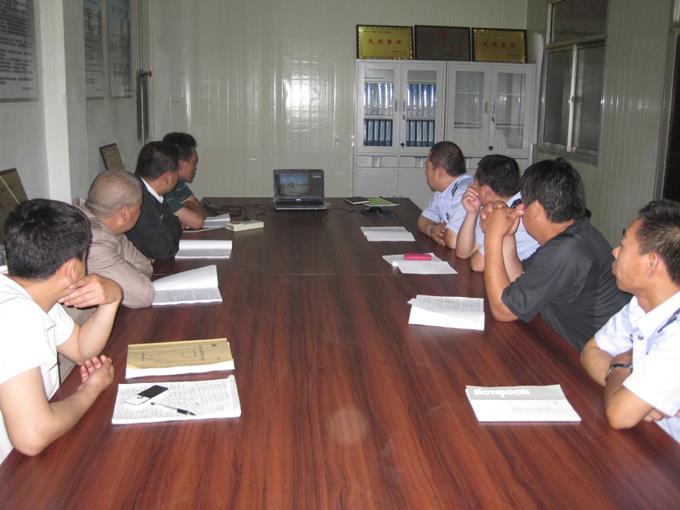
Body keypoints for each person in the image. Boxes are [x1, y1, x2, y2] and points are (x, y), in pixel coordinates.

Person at [0, 199, 121, 463]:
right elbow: (32, 435)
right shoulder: (15, 314)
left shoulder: (24, 288)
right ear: (72, 269)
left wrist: (112, 298)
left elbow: (80, 349)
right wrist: (90, 389)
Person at [482, 158, 630, 350]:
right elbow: (522, 279)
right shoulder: (574, 235)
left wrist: (492, 236)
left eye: (522, 202)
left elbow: (503, 310)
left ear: (536, 209)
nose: (519, 209)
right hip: (571, 346)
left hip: (595, 359)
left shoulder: (567, 250)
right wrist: (507, 236)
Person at [581, 200, 680, 442]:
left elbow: (619, 415)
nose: (615, 251)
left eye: (623, 246)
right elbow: (591, 351)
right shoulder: (641, 304)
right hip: (650, 438)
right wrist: (631, 390)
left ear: (651, 263)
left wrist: (621, 365)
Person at [76, 170, 154, 310]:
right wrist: (132, 277)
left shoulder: (108, 225)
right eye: (139, 206)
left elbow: (144, 264)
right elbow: (143, 295)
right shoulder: (93, 241)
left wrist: (129, 276)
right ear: (125, 213)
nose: (141, 211)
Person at [456, 154, 539, 271]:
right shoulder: (494, 208)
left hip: (527, 278)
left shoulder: (518, 213)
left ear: (486, 191)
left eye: (475, 184)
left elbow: (478, 264)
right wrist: (471, 213)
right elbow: (463, 252)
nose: (470, 187)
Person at [125, 141, 183, 260]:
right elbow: (165, 250)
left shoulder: (145, 189)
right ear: (167, 178)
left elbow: (174, 225)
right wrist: (170, 231)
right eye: (177, 171)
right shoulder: (140, 201)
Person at [417, 141, 472, 249]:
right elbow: (423, 220)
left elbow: (454, 241)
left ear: (440, 172)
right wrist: (432, 230)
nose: (425, 173)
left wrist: (444, 234)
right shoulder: (442, 191)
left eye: (427, 167)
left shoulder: (464, 192)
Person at [162, 132, 208, 229]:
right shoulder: (163, 188)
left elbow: (202, 212)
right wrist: (189, 208)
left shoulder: (179, 183)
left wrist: (186, 206)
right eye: (194, 163)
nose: (195, 168)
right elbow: (197, 222)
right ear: (180, 164)